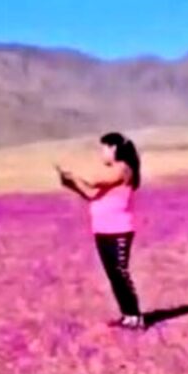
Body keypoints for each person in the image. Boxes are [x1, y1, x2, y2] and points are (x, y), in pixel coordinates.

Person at [57, 132, 144, 330]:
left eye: (104, 148)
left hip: (119, 230)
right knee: (113, 275)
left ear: (114, 148)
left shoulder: (123, 169)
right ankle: (127, 315)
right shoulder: (112, 172)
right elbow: (91, 194)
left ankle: (135, 316)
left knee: (120, 273)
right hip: (102, 230)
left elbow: (94, 181)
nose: (102, 153)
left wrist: (75, 172)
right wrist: (71, 183)